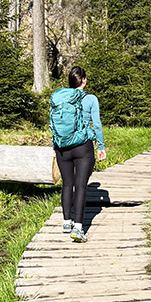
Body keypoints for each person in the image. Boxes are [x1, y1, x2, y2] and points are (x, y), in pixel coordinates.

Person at [53, 65, 106, 242]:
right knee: (81, 186)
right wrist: (101, 146)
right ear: (84, 80)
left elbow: (54, 124)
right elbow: (96, 124)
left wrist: (56, 146)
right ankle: (78, 227)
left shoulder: (60, 98)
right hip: (83, 147)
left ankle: (66, 221)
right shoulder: (90, 99)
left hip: (62, 147)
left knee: (67, 184)